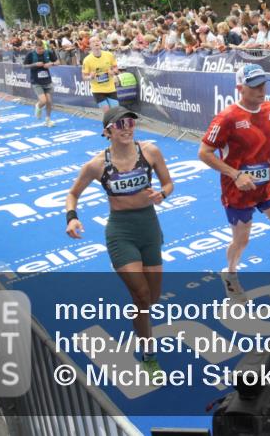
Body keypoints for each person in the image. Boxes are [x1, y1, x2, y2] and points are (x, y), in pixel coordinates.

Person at [65, 108, 174, 374]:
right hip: (120, 232)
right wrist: (71, 218)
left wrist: (162, 195)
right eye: (120, 124)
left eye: (131, 122)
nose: (127, 127)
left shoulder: (150, 151)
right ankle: (148, 354)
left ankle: (139, 320)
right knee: (141, 293)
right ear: (107, 131)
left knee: (152, 298)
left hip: (149, 227)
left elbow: (169, 183)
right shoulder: (97, 164)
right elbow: (72, 193)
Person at [198, 65, 270, 309]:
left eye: (263, 84)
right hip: (238, 190)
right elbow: (204, 153)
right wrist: (235, 174)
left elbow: (267, 141)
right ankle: (230, 275)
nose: (261, 90)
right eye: (254, 85)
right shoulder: (227, 118)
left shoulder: (269, 108)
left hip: (269, 184)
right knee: (241, 241)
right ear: (240, 88)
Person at [24, 39, 59, 126]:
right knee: (43, 101)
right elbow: (24, 66)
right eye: (39, 49)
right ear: (35, 48)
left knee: (49, 101)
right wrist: (35, 64)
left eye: (42, 48)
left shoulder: (48, 53)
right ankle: (38, 107)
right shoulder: (30, 54)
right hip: (36, 81)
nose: (41, 50)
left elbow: (58, 61)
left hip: (47, 80)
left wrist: (51, 64)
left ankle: (48, 120)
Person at [82, 38, 119, 109]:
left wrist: (113, 72)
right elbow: (84, 77)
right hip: (97, 90)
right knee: (107, 111)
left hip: (110, 88)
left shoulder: (109, 55)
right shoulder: (87, 60)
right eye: (93, 41)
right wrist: (90, 77)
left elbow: (116, 68)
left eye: (98, 41)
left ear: (100, 43)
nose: (96, 42)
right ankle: (108, 120)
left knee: (115, 110)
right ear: (90, 45)